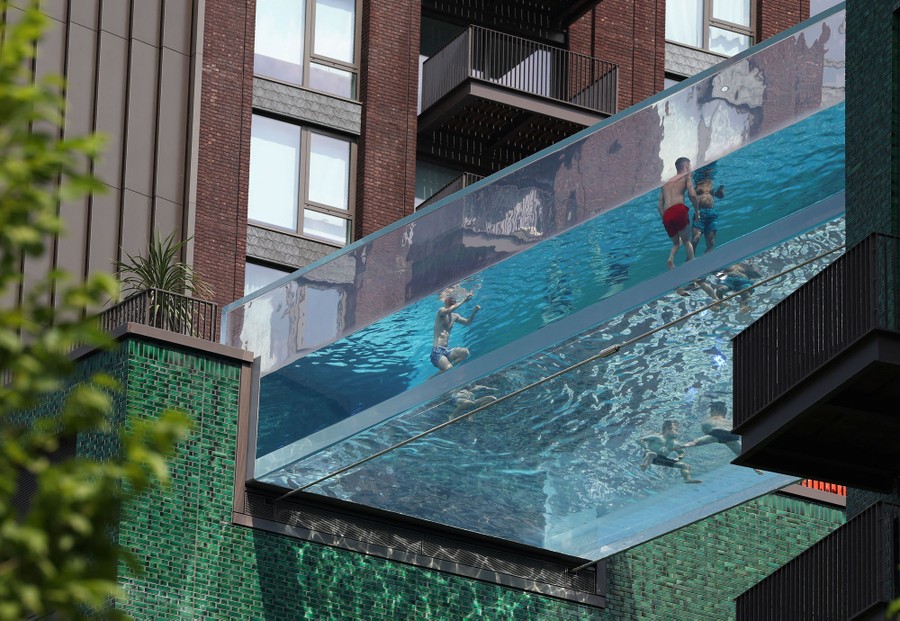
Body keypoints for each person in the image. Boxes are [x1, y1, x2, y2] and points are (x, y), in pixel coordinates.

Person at [683, 402, 764, 474]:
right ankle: (756, 468)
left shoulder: (709, 420)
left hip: (717, 434)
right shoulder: (729, 421)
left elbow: (707, 433)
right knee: (742, 452)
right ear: (724, 412)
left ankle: (685, 445)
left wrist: (710, 438)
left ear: (713, 410)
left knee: (696, 442)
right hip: (732, 435)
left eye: (711, 411)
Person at [658, 156, 698, 269]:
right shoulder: (686, 177)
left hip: (666, 215)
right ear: (686, 166)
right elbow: (692, 195)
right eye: (689, 166)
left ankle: (671, 259)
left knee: (676, 243)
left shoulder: (665, 183)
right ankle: (693, 266)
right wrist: (697, 211)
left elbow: (659, 206)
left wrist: (665, 218)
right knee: (686, 241)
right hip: (678, 209)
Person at [431, 293, 480, 371]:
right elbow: (448, 310)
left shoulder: (455, 316)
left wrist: (474, 313)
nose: (452, 301)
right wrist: (463, 300)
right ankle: (432, 378)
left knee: (465, 352)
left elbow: (468, 322)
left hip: (447, 350)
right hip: (437, 352)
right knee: (449, 368)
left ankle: (447, 368)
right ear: (446, 302)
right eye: (450, 300)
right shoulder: (441, 311)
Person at [691, 179, 726, 254]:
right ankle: (689, 259)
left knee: (711, 243)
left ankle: (707, 259)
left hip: (711, 213)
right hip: (700, 212)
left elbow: (720, 196)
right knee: (695, 239)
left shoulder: (711, 181)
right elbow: (691, 195)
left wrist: (721, 189)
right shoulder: (697, 180)